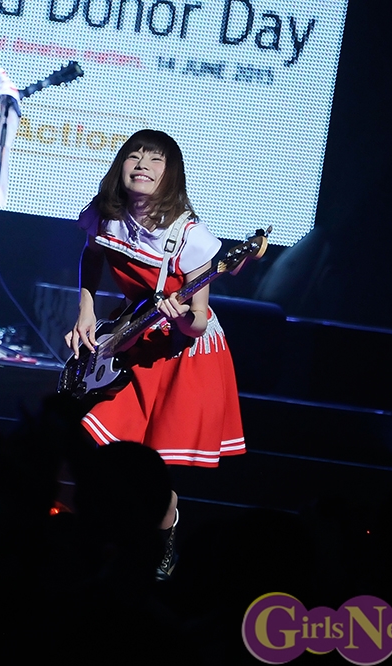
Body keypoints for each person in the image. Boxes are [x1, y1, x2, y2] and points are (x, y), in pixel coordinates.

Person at [65, 129, 245, 575]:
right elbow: (92, 255)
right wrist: (86, 309)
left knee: (149, 464)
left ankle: (161, 538)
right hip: (131, 331)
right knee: (99, 444)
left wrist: (177, 316)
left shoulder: (189, 236)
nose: (142, 164)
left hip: (180, 353)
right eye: (135, 155)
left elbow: (198, 320)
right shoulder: (105, 213)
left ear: (171, 174)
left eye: (156, 159)